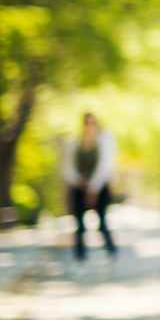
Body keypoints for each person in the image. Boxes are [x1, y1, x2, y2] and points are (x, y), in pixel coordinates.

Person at [61, 112, 118, 261]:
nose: (89, 127)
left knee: (102, 221)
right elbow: (68, 168)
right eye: (87, 123)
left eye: (92, 123)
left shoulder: (103, 142)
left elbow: (105, 167)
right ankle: (80, 254)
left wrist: (93, 186)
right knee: (79, 224)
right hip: (79, 187)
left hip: (99, 187)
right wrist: (80, 181)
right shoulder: (74, 143)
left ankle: (111, 250)